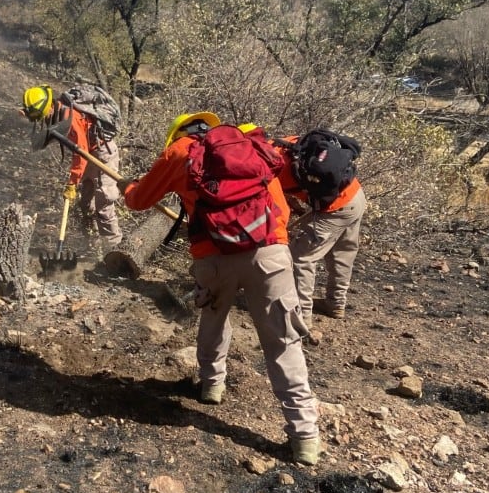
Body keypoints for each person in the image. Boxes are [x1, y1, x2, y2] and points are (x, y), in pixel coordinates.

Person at [119, 112, 321, 466]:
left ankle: (212, 385)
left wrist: (128, 187)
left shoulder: (179, 152)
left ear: (176, 133)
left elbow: (138, 201)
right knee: (283, 341)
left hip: (213, 260)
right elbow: (282, 210)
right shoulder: (250, 147)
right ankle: (305, 437)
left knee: (214, 319)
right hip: (271, 253)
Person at [273, 133, 366, 328]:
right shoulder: (289, 143)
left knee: (301, 258)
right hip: (356, 196)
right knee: (342, 253)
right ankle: (335, 304)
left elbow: (277, 206)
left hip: (335, 209)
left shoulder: (270, 165)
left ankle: (301, 316)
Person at [22, 85, 122, 248]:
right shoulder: (57, 110)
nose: (42, 119)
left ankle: (114, 248)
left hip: (103, 154)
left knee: (104, 202)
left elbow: (80, 153)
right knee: (86, 203)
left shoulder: (70, 117)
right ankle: (93, 243)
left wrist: (72, 183)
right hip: (91, 154)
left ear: (47, 106)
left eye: (41, 115)